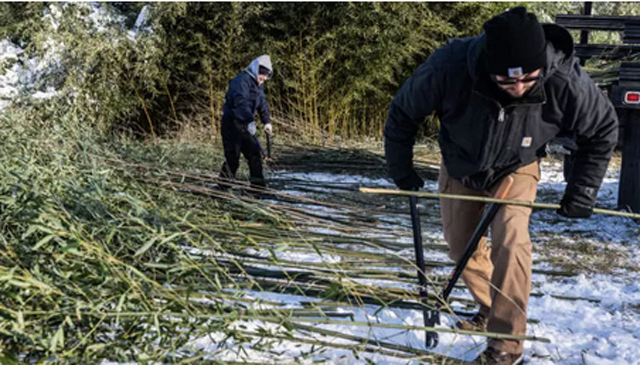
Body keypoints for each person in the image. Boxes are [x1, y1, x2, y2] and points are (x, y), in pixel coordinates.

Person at [384, 7, 618, 365]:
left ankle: (506, 347)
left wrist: (582, 190)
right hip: (461, 163)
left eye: (528, 79)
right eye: (507, 82)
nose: (519, 88)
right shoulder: (450, 66)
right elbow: (402, 113)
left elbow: (602, 130)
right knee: (461, 247)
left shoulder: (564, 79)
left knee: (510, 240)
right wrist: (402, 170)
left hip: (517, 165)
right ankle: (492, 311)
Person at [219, 54, 273, 191]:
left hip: (245, 125)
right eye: (263, 75)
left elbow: (262, 103)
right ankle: (223, 188)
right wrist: (249, 120)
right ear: (256, 70)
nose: (264, 79)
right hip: (232, 124)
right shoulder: (241, 81)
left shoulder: (258, 84)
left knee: (255, 155)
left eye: (266, 77)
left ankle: (258, 189)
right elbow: (240, 102)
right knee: (233, 158)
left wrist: (266, 121)